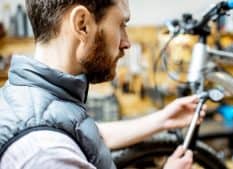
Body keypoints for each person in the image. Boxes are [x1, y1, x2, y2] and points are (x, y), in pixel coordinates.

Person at [0, 0, 206, 169]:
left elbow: (86, 136)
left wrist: (164, 119)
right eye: (121, 25)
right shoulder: (45, 155)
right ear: (82, 24)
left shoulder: (29, 97)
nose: (127, 43)